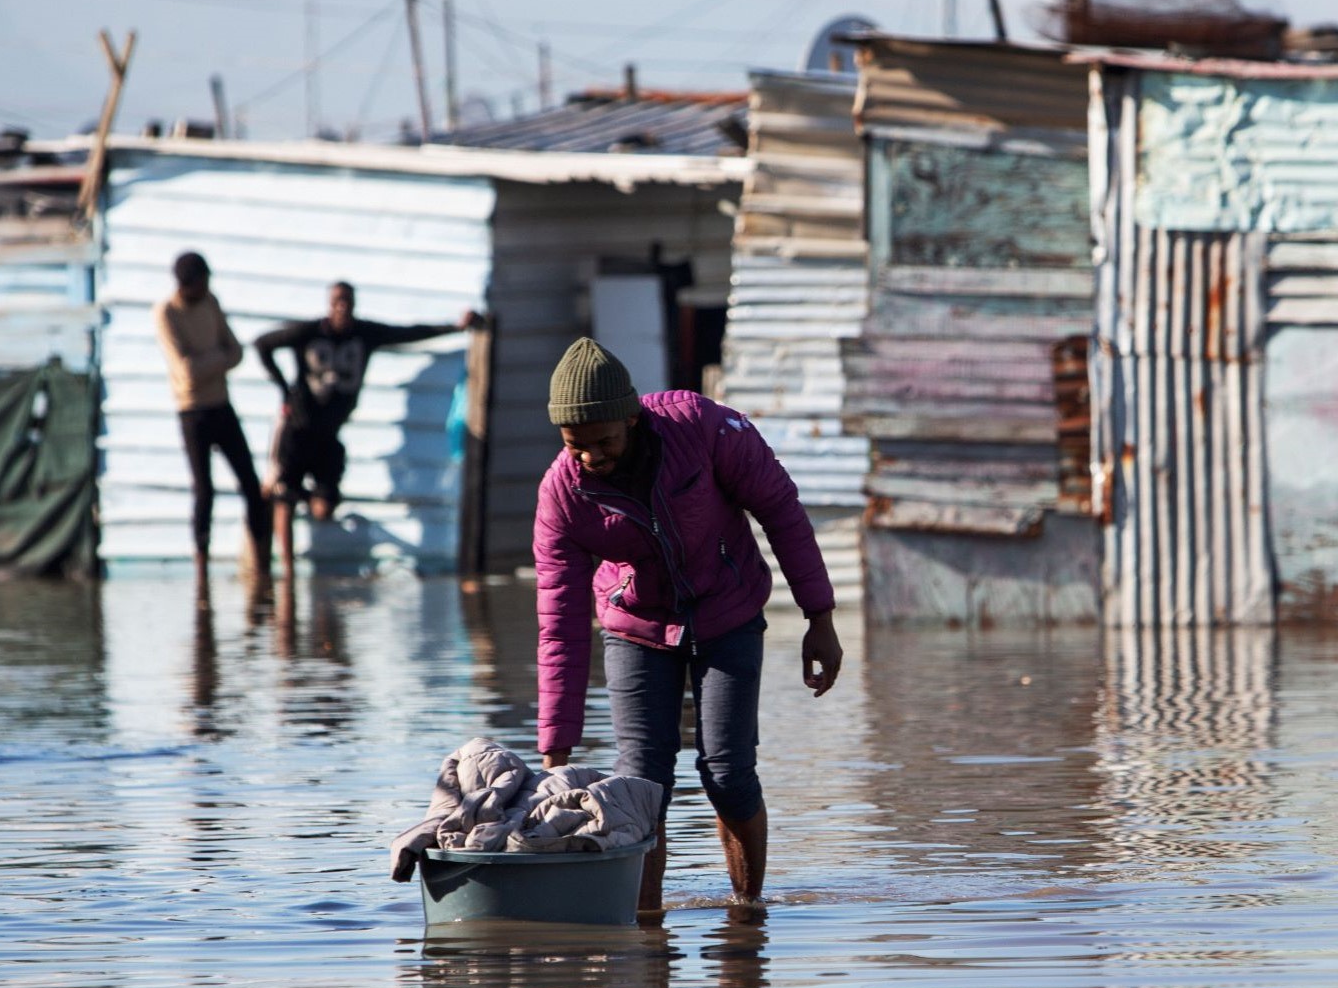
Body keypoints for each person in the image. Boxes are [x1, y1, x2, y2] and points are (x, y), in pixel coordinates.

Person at [532, 336, 843, 916]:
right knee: (641, 786)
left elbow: (781, 509)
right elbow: (559, 626)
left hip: (728, 610)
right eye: (575, 446)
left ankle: (748, 914)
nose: (590, 458)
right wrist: (556, 747)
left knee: (727, 772)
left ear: (631, 418)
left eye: (603, 442)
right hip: (636, 626)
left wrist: (818, 616)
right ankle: (646, 923)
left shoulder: (701, 429)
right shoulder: (563, 496)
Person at [253, 282, 480, 568]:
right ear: (329, 304)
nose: (341, 308)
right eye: (336, 301)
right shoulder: (307, 333)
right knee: (285, 497)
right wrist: (284, 390)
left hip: (329, 435)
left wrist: (456, 327)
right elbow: (263, 344)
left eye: (346, 302)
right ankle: (287, 573)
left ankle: (295, 496)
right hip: (298, 430)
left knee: (324, 508)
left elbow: (408, 333)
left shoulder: (364, 334)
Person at [152, 251, 272, 583]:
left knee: (251, 483)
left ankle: (262, 565)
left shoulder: (211, 302)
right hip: (192, 411)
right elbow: (186, 371)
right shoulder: (167, 313)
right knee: (204, 490)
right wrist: (216, 359)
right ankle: (201, 568)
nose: (206, 288)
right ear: (185, 284)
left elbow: (237, 352)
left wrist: (209, 360)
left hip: (221, 404)